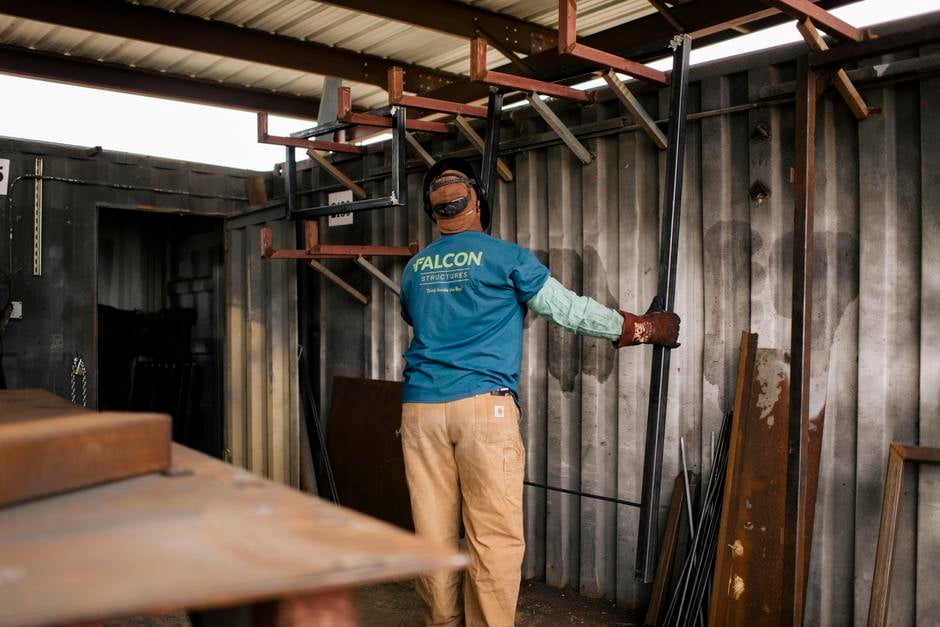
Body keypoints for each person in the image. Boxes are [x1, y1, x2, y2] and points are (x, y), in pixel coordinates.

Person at [399, 158, 680, 627]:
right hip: (482, 410)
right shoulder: (505, 257)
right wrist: (643, 328)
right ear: (478, 202)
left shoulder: (414, 269)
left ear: (435, 213)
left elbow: (419, 320)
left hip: (420, 411)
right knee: (493, 539)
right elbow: (567, 310)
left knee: (433, 539)